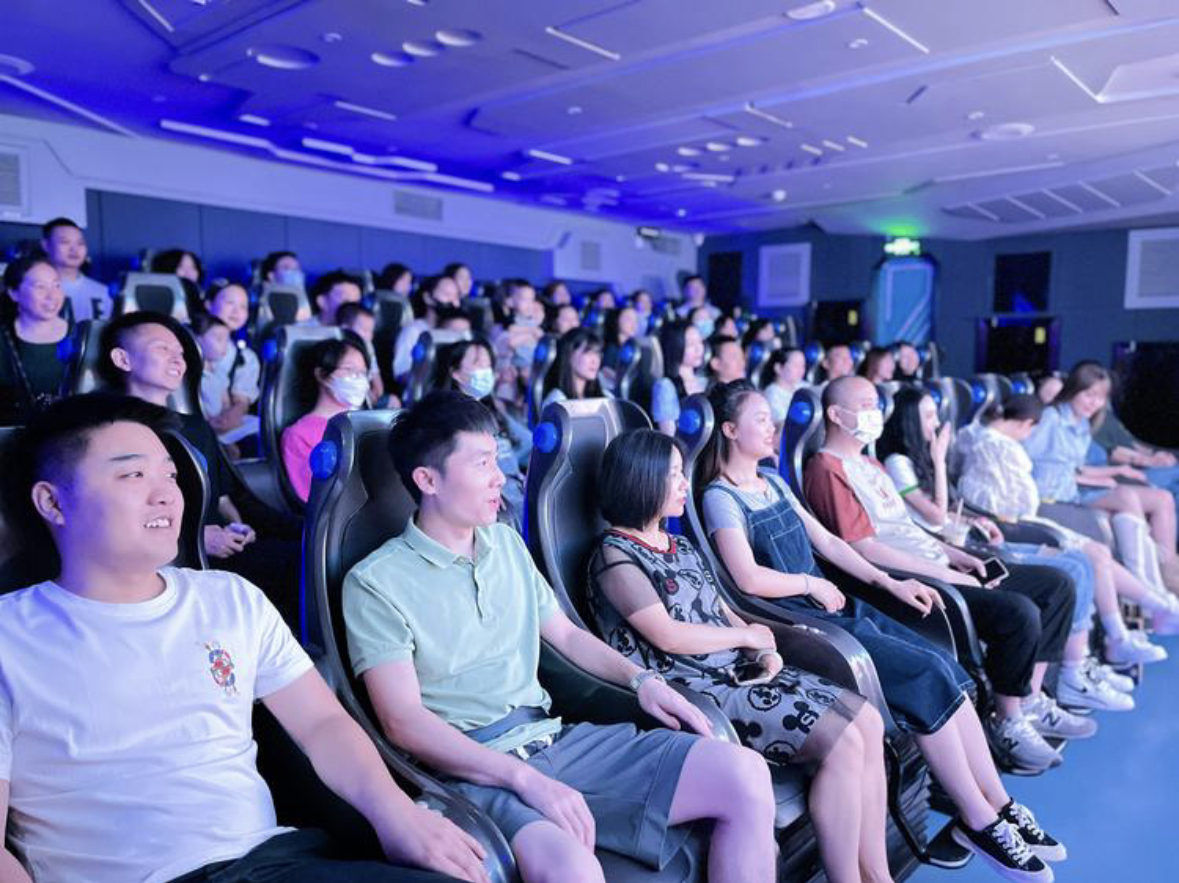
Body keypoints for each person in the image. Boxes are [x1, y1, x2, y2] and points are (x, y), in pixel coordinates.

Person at [0, 393, 484, 883]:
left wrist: (396, 813)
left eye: (170, 474)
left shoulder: (228, 599)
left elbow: (322, 723)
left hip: (273, 864)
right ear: (52, 502)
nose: (166, 494)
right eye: (133, 475)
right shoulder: (10, 638)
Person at [343, 391, 778, 883]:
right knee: (574, 870)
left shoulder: (506, 543)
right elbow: (402, 722)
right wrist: (524, 779)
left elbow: (567, 637)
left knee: (746, 775)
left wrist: (642, 682)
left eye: (497, 458)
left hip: (556, 739)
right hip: (473, 771)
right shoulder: (375, 582)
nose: (500, 476)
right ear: (428, 480)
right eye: (482, 463)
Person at [698, 381, 1062, 880]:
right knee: (922, 676)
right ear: (728, 429)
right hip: (800, 621)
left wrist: (890, 582)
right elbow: (747, 578)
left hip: (832, 606)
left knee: (944, 664)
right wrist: (809, 583)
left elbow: (828, 542)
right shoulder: (720, 497)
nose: (772, 427)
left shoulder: (772, 482)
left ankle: (999, 805)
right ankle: (977, 820)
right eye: (760, 419)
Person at [590, 429, 894, 883]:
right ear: (642, 480)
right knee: (844, 740)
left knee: (867, 720)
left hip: (739, 672)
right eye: (673, 475)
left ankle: (877, 874)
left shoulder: (679, 544)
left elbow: (722, 610)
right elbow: (668, 636)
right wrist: (747, 637)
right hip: (698, 689)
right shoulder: (614, 556)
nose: (684, 484)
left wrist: (763, 645)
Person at [805, 377, 1078, 771]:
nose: (876, 412)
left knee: (1056, 585)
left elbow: (909, 527)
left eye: (877, 404)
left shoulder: (871, 463)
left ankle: (1031, 699)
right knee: (1018, 613)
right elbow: (865, 548)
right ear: (835, 414)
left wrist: (957, 555)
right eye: (866, 404)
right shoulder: (826, 468)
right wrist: (948, 575)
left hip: (937, 562)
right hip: (911, 582)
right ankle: (1007, 719)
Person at [877, 387, 1144, 724]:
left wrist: (975, 520)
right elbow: (935, 514)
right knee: (1058, 580)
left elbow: (948, 511)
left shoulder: (919, 458)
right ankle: (1047, 688)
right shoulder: (898, 463)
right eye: (929, 416)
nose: (937, 423)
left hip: (959, 539)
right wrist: (940, 461)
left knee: (1075, 567)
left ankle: (1067, 673)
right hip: (943, 549)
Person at [956, 395, 1167, 694]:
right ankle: (1117, 636)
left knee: (1096, 553)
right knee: (1087, 560)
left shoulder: (976, 439)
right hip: (1012, 525)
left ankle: (1128, 627)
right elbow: (1017, 502)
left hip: (1011, 521)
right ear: (1028, 424)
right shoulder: (1000, 448)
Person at [1023, 362, 1179, 592]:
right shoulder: (1050, 419)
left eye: (1100, 398)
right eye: (1089, 395)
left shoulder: (1083, 425)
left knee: (1162, 497)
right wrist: (1099, 479)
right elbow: (1037, 467)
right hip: (1057, 494)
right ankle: (1146, 584)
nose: (1094, 403)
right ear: (1074, 389)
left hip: (1074, 488)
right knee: (1126, 496)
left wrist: (1113, 473)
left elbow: (1075, 468)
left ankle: (1168, 570)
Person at [433, 339, 530, 532]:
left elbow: (528, 443)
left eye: (488, 365)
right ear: (455, 373)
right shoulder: (447, 416)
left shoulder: (495, 408)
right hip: (497, 498)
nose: (486, 371)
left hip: (518, 489)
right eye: (478, 363)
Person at [281, 337, 371, 503]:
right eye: (350, 370)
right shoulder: (299, 435)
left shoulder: (369, 425)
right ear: (322, 375)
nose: (359, 379)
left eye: (363, 373)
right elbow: (315, 499)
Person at [0, 256, 70, 425]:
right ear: (14, 293)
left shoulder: (83, 335)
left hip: (71, 432)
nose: (52, 295)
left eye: (56, 285)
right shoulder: (3, 340)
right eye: (40, 287)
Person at [192, 310, 259, 451]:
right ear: (197, 339)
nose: (225, 345)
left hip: (222, 425)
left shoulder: (219, 373)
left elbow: (225, 401)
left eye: (227, 340)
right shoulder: (194, 375)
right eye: (219, 339)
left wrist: (227, 417)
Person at [204, 280, 262, 414]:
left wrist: (230, 418)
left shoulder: (246, 358)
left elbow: (241, 402)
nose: (236, 311)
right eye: (230, 303)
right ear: (209, 304)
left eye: (243, 307)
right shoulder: (186, 340)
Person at [39, 217, 110, 321]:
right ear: (46, 245)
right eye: (65, 242)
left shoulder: (104, 292)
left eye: (80, 243)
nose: (74, 249)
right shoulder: (35, 291)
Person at [393, 275, 462, 380]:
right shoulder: (414, 331)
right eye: (447, 294)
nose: (454, 302)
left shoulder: (460, 332)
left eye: (456, 296)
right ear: (427, 298)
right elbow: (401, 373)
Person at [652, 320, 706, 435]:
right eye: (691, 345)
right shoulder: (665, 386)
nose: (699, 349)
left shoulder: (704, 381)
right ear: (676, 347)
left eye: (700, 342)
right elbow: (669, 436)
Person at [540, 328, 609, 411]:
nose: (595, 361)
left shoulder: (606, 397)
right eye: (589, 353)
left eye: (597, 354)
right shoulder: (557, 400)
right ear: (569, 354)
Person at [337, 302, 391, 407]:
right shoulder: (338, 351)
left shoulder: (368, 347)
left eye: (371, 331)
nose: (369, 336)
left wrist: (377, 396)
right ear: (345, 328)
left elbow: (378, 384)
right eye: (364, 330)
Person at [760, 347, 807, 429]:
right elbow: (782, 424)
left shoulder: (804, 386)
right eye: (796, 365)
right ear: (778, 368)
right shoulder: (772, 394)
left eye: (803, 366)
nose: (801, 370)